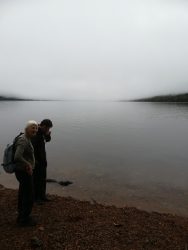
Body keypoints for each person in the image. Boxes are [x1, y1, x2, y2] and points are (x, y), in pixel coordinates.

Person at [14, 120, 38, 227]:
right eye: (32, 127)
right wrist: (28, 164)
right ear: (27, 128)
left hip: (23, 171)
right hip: (23, 171)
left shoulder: (27, 138)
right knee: (29, 195)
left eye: (36, 128)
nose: (35, 130)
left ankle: (21, 216)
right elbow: (17, 156)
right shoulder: (23, 140)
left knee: (23, 193)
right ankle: (25, 219)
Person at [31, 119, 53, 203]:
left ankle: (43, 196)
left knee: (43, 179)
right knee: (36, 180)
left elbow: (47, 140)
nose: (48, 130)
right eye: (47, 128)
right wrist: (34, 161)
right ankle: (36, 198)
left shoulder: (43, 132)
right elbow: (32, 149)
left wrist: (47, 135)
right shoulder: (35, 132)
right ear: (43, 126)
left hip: (42, 160)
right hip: (36, 161)